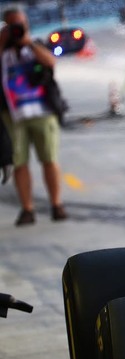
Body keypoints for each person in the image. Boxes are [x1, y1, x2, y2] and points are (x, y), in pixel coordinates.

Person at [0, 6, 67, 226]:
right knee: (19, 163)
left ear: (27, 24)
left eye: (20, 25)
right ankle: (27, 209)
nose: (17, 29)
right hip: (12, 116)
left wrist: (28, 42)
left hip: (42, 112)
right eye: (13, 26)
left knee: (50, 160)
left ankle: (56, 205)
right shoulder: (3, 49)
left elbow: (51, 62)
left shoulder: (35, 45)